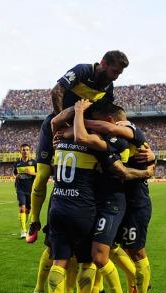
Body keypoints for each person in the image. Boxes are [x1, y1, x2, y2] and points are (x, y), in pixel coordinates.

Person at [46, 99, 154, 293]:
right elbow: (62, 127)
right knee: (103, 253)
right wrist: (71, 126)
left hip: (115, 203)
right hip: (95, 202)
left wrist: (78, 116)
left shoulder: (122, 135)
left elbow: (121, 169)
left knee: (101, 254)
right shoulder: (89, 139)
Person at [27, 50, 129, 243]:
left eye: (119, 74)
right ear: (103, 64)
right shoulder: (82, 71)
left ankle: (65, 221)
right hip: (56, 125)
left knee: (75, 178)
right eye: (114, 71)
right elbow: (56, 92)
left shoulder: (108, 86)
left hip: (79, 129)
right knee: (42, 174)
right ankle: (34, 221)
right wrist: (63, 126)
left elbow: (102, 111)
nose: (116, 77)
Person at [85, 115, 157, 293]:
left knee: (137, 252)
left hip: (136, 205)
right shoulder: (120, 143)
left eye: (120, 126)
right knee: (112, 248)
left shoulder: (134, 136)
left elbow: (135, 168)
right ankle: (130, 285)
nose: (119, 129)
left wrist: (80, 119)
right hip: (117, 205)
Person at [13, 144, 36, 238]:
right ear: (20, 151)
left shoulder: (34, 163)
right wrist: (16, 176)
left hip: (31, 189)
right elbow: (14, 173)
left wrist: (32, 173)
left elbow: (39, 174)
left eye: (27, 150)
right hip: (20, 189)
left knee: (28, 210)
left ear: (29, 151)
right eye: (23, 150)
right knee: (22, 208)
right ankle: (23, 230)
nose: (25, 151)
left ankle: (24, 226)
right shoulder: (17, 163)